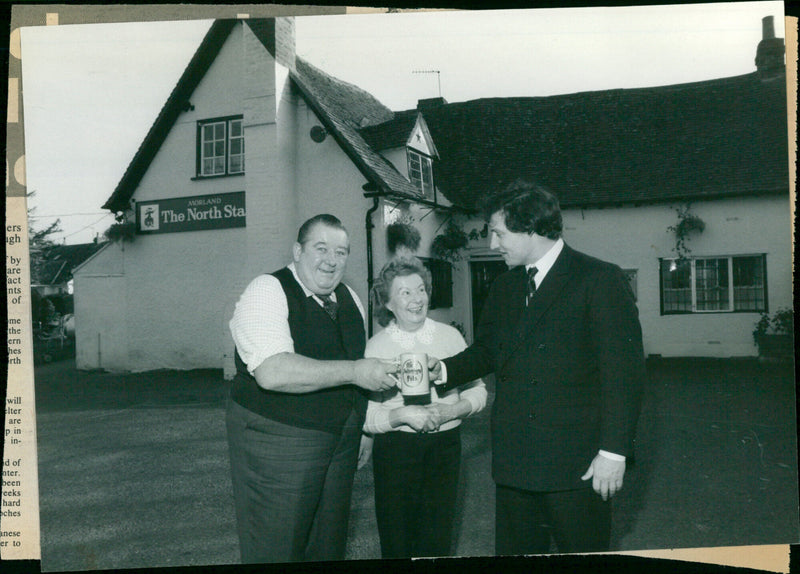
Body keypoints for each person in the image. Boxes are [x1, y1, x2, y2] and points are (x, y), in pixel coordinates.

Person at [430, 180, 646, 555]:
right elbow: (488, 351)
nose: (492, 244)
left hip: (576, 466)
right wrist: (443, 370)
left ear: (529, 227)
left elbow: (624, 375)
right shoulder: (504, 287)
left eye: (498, 233)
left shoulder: (599, 279)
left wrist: (614, 453)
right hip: (515, 463)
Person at [226, 213, 398, 564]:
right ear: (297, 251)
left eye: (341, 252)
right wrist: (354, 372)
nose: (332, 260)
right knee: (277, 547)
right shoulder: (267, 290)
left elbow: (357, 362)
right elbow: (272, 372)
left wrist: (364, 428)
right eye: (321, 248)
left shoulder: (350, 297)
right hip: (280, 440)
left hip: (341, 441)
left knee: (328, 544)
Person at [360, 256, 486, 558]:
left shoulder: (450, 337)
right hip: (395, 449)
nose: (417, 299)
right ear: (388, 303)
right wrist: (401, 414)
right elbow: (366, 416)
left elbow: (480, 391)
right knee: (397, 538)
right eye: (405, 293)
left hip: (445, 447)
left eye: (420, 290)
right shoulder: (375, 347)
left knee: (438, 535)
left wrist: (450, 412)